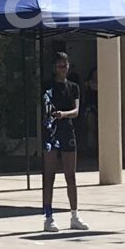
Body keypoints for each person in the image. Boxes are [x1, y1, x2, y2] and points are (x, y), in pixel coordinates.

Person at [40, 49, 89, 233]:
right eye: (60, 66)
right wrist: (53, 115)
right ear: (54, 67)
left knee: (70, 175)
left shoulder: (74, 87)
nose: (63, 68)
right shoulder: (47, 87)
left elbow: (76, 111)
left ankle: (75, 215)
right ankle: (48, 217)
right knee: (49, 175)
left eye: (65, 65)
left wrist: (63, 114)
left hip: (67, 130)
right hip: (51, 132)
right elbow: (45, 107)